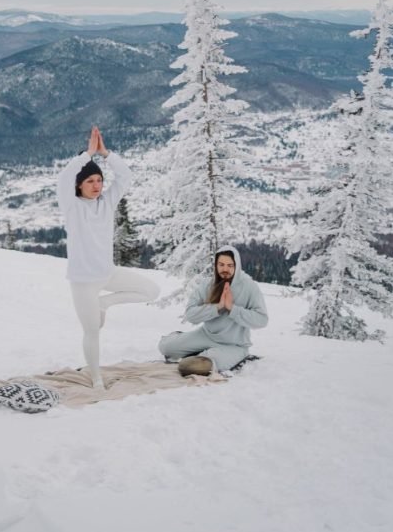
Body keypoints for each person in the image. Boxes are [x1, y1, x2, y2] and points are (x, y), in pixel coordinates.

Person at [57, 126, 160, 390]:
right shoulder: (72, 205)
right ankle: (96, 377)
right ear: (79, 184)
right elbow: (64, 178)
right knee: (92, 332)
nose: (96, 186)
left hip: (108, 274)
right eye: (90, 181)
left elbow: (125, 176)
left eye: (99, 180)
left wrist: (106, 154)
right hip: (83, 282)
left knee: (151, 290)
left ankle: (106, 303)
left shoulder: (107, 202)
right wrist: (87, 156)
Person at [158, 245, 268, 376]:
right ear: (216, 265)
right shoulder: (207, 285)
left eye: (230, 265)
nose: (225, 269)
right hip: (206, 335)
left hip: (234, 346)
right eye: (221, 264)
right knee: (165, 347)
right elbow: (190, 315)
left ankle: (204, 355)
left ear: (236, 266)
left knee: (195, 367)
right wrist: (217, 307)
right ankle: (180, 338)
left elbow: (262, 320)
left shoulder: (249, 286)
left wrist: (232, 309)